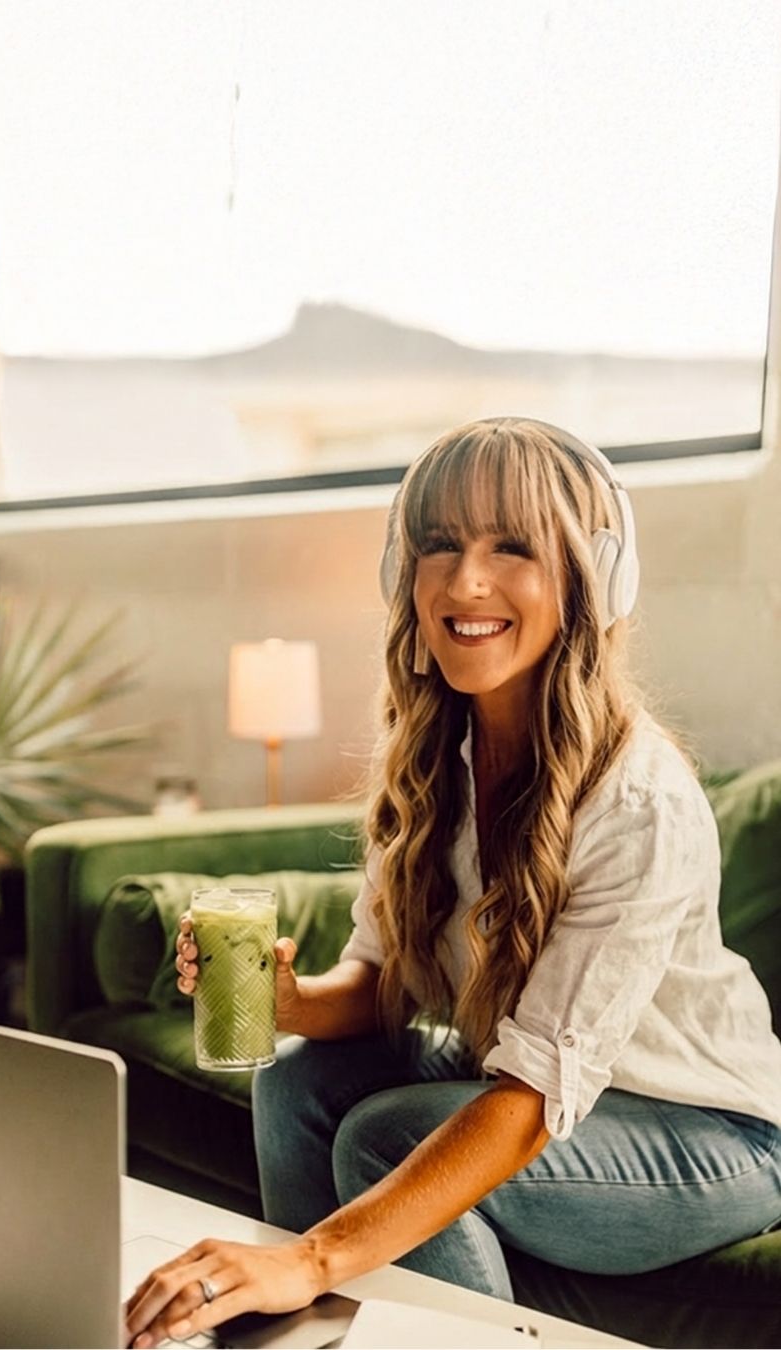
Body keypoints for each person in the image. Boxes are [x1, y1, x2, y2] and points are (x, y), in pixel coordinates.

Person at [124, 417, 781, 1349]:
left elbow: (532, 1098)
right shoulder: (437, 756)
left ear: (593, 576)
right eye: (440, 545)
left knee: (386, 1134)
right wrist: (286, 1001)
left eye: (511, 547)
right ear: (405, 573)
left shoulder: (638, 801)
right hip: (540, 1090)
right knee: (297, 1081)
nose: (466, 582)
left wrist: (308, 1257)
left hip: (710, 1135)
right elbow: (383, 982)